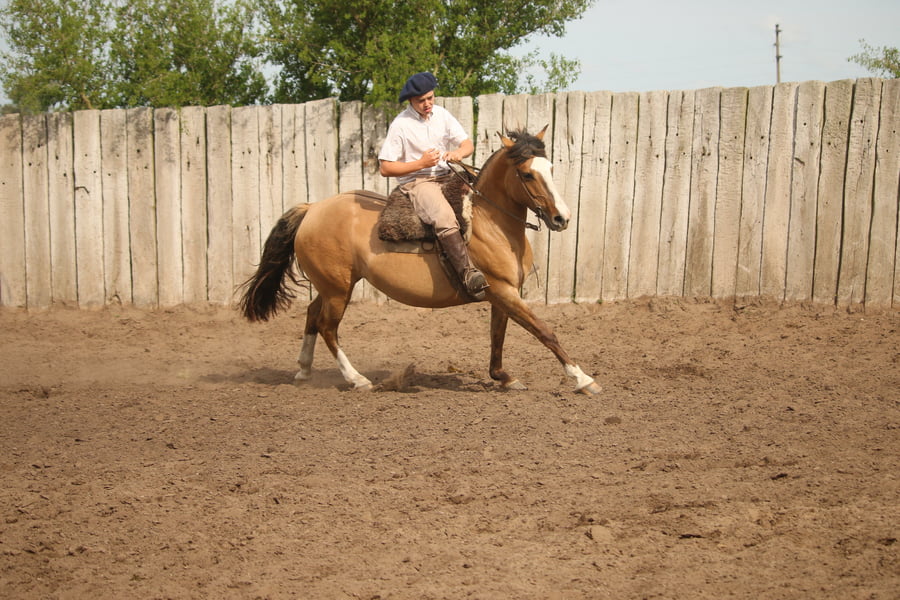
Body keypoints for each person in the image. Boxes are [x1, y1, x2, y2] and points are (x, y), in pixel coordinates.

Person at [378, 72, 488, 300]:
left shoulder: (443, 115)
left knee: (487, 197)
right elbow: (385, 168)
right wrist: (420, 163)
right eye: (421, 101)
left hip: (448, 174)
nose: (427, 104)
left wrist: (457, 153)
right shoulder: (400, 125)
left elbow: (467, 144)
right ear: (411, 101)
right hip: (420, 182)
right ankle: (467, 273)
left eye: (430, 98)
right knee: (444, 216)